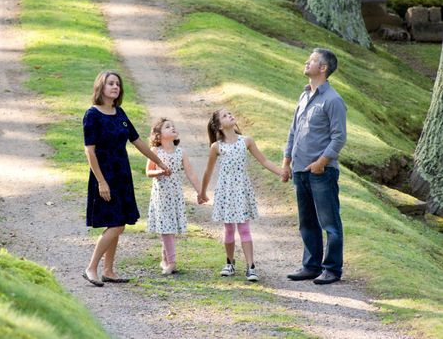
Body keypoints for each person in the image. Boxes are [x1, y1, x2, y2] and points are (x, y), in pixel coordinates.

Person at [82, 70, 171, 287]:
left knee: (118, 222)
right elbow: (89, 152)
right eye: (111, 83)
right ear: (101, 86)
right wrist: (101, 182)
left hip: (122, 175)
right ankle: (91, 267)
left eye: (118, 85)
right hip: (104, 176)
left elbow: (138, 141)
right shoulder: (92, 115)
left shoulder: (119, 113)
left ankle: (109, 270)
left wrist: (159, 161)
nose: (115, 87)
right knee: (116, 226)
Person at [281, 48, 347, 285]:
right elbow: (293, 131)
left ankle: (332, 269)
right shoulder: (304, 95)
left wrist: (321, 163)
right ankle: (311, 266)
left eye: (312, 60)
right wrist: (287, 162)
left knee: (329, 222)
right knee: (307, 222)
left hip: (322, 171)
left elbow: (339, 137)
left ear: (324, 68)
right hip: (299, 170)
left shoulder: (333, 100)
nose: (306, 62)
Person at [199, 109, 283, 282]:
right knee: (229, 229)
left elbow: (264, 161)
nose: (229, 115)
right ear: (219, 126)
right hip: (226, 192)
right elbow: (208, 171)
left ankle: (251, 266)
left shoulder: (246, 141)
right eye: (224, 116)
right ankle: (229, 262)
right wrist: (202, 192)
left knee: (244, 229)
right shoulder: (216, 147)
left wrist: (281, 172)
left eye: (229, 113)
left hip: (242, 191)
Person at [146, 118, 202, 275]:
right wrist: (160, 171)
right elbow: (148, 171)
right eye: (167, 127)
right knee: (166, 228)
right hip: (161, 196)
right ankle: (171, 262)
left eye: (173, 126)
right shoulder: (156, 152)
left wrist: (200, 191)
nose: (173, 128)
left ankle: (164, 259)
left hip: (175, 195)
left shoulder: (181, 152)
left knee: (168, 228)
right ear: (158, 135)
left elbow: (190, 173)